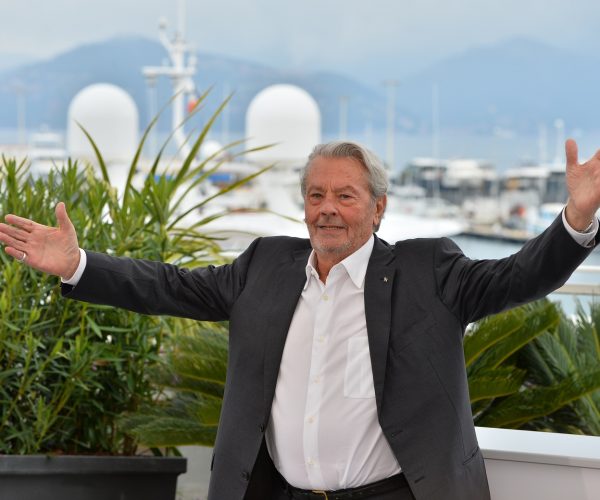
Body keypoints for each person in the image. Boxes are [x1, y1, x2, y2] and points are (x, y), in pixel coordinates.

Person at [0, 139, 599, 500]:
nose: (327, 210)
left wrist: (575, 220)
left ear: (379, 206)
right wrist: (78, 264)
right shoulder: (265, 265)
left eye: (345, 195)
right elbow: (170, 286)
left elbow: (519, 276)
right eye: (316, 195)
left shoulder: (430, 271)